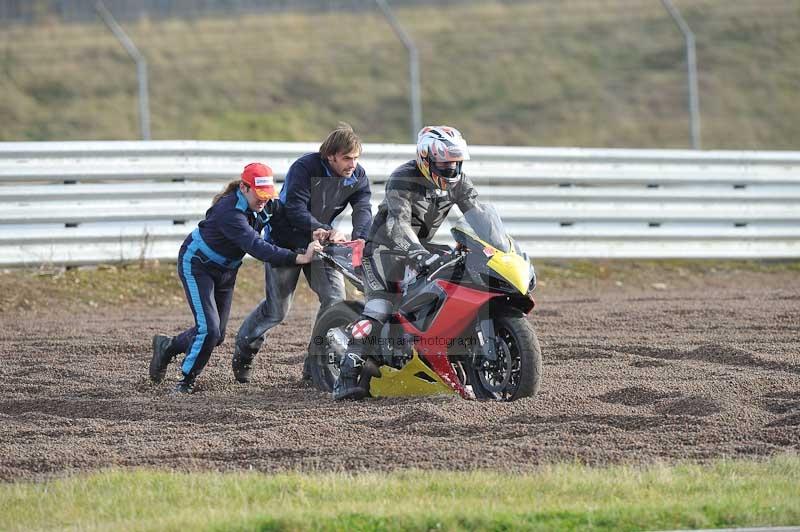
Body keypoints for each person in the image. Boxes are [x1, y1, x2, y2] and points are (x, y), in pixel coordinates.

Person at [333, 125, 478, 400]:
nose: (451, 168)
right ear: (426, 159)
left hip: (420, 247)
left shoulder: (459, 181)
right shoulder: (403, 177)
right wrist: (420, 255)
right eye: (444, 163)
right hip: (383, 249)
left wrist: (493, 245)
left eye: (456, 162)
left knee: (457, 282)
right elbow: (398, 224)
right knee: (380, 306)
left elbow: (478, 215)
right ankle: (347, 375)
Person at [149, 162, 321, 394]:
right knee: (208, 330)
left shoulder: (267, 204)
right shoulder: (229, 212)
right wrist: (299, 258)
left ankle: (168, 347)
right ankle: (185, 382)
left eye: (267, 195)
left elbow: (287, 220)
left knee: (217, 335)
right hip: (198, 265)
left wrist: (316, 230)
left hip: (226, 270)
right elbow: (256, 246)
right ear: (244, 188)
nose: (263, 201)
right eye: (259, 195)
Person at [232, 123, 372, 384]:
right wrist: (323, 229)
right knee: (277, 311)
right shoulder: (304, 168)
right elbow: (294, 208)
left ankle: (316, 363)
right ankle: (244, 351)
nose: (353, 164)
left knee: (335, 302)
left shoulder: (357, 175)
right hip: (285, 242)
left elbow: (363, 207)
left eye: (355, 158)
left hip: (321, 245)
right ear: (330, 156)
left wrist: (361, 238)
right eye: (347, 158)